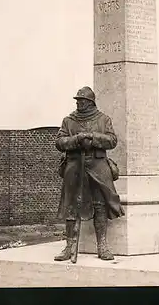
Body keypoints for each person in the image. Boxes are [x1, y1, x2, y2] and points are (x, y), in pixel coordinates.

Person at [54, 86, 124, 261]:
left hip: (98, 165)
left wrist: (93, 137)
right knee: (71, 207)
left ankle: (102, 245)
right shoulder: (68, 121)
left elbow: (112, 140)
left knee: (100, 205)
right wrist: (76, 140)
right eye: (77, 101)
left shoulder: (103, 119)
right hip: (75, 166)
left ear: (91, 102)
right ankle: (69, 246)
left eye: (82, 101)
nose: (79, 103)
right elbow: (60, 142)